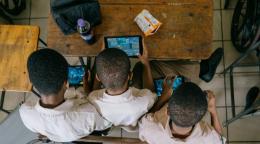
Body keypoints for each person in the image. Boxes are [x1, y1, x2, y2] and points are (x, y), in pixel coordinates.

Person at [19, 49, 112, 142]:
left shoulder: (25, 112)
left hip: (68, 135)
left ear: (32, 83)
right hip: (86, 131)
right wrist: (90, 85)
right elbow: (106, 123)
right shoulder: (89, 114)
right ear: (66, 83)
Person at [87, 42, 169, 131]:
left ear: (98, 78)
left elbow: (94, 91)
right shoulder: (144, 101)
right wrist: (146, 63)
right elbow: (150, 91)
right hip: (135, 122)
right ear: (130, 75)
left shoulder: (93, 99)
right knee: (139, 66)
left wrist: (101, 57)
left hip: (124, 124)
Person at [139, 82, 226, 144]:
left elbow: (146, 120)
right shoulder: (207, 137)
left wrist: (163, 97)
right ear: (199, 119)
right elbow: (220, 140)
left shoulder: (149, 127)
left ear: (168, 111)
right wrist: (213, 110)